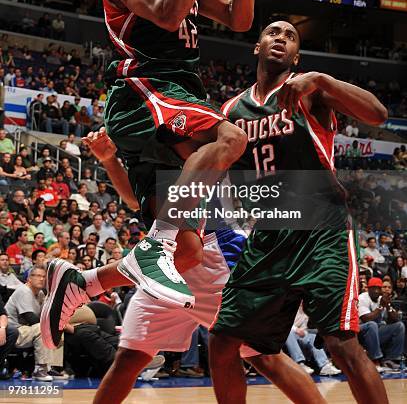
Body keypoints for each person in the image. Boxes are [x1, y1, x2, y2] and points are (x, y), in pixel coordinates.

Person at [41, 129, 326, 404]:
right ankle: (83, 283)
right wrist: (109, 161)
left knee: (260, 354)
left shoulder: (197, 145)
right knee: (131, 355)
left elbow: (191, 249)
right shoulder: (165, 148)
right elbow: (135, 200)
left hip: (215, 256)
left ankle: (83, 282)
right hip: (169, 260)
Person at [83, 0, 267, 306]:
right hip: (145, 89)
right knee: (231, 140)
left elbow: (240, 17)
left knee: (189, 252)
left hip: (179, 94)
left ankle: (84, 283)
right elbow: (166, 13)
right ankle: (155, 246)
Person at [208, 21, 389, 404]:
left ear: (296, 57)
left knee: (341, 345)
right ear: (257, 47)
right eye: (273, 33)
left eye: (290, 37)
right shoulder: (230, 110)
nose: (281, 39)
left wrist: (322, 79)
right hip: (268, 235)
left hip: (321, 230)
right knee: (223, 343)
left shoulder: (310, 92)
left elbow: (377, 114)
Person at [6, 267, 66, 380]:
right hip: (13, 332)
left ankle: (52, 367)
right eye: (38, 276)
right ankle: (40, 369)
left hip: (27, 330)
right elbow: (30, 318)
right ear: (29, 278)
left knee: (57, 329)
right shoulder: (23, 291)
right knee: (42, 329)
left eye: (44, 277)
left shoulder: (40, 294)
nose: (42, 279)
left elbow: (47, 316)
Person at [358, 277, 405, 372]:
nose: (376, 290)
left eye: (378, 288)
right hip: (361, 332)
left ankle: (391, 359)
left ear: (381, 290)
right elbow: (365, 319)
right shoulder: (363, 297)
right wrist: (380, 307)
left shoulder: (382, 298)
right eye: (373, 288)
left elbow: (395, 318)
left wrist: (387, 306)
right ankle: (376, 360)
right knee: (372, 325)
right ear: (368, 288)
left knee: (399, 326)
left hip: (376, 332)